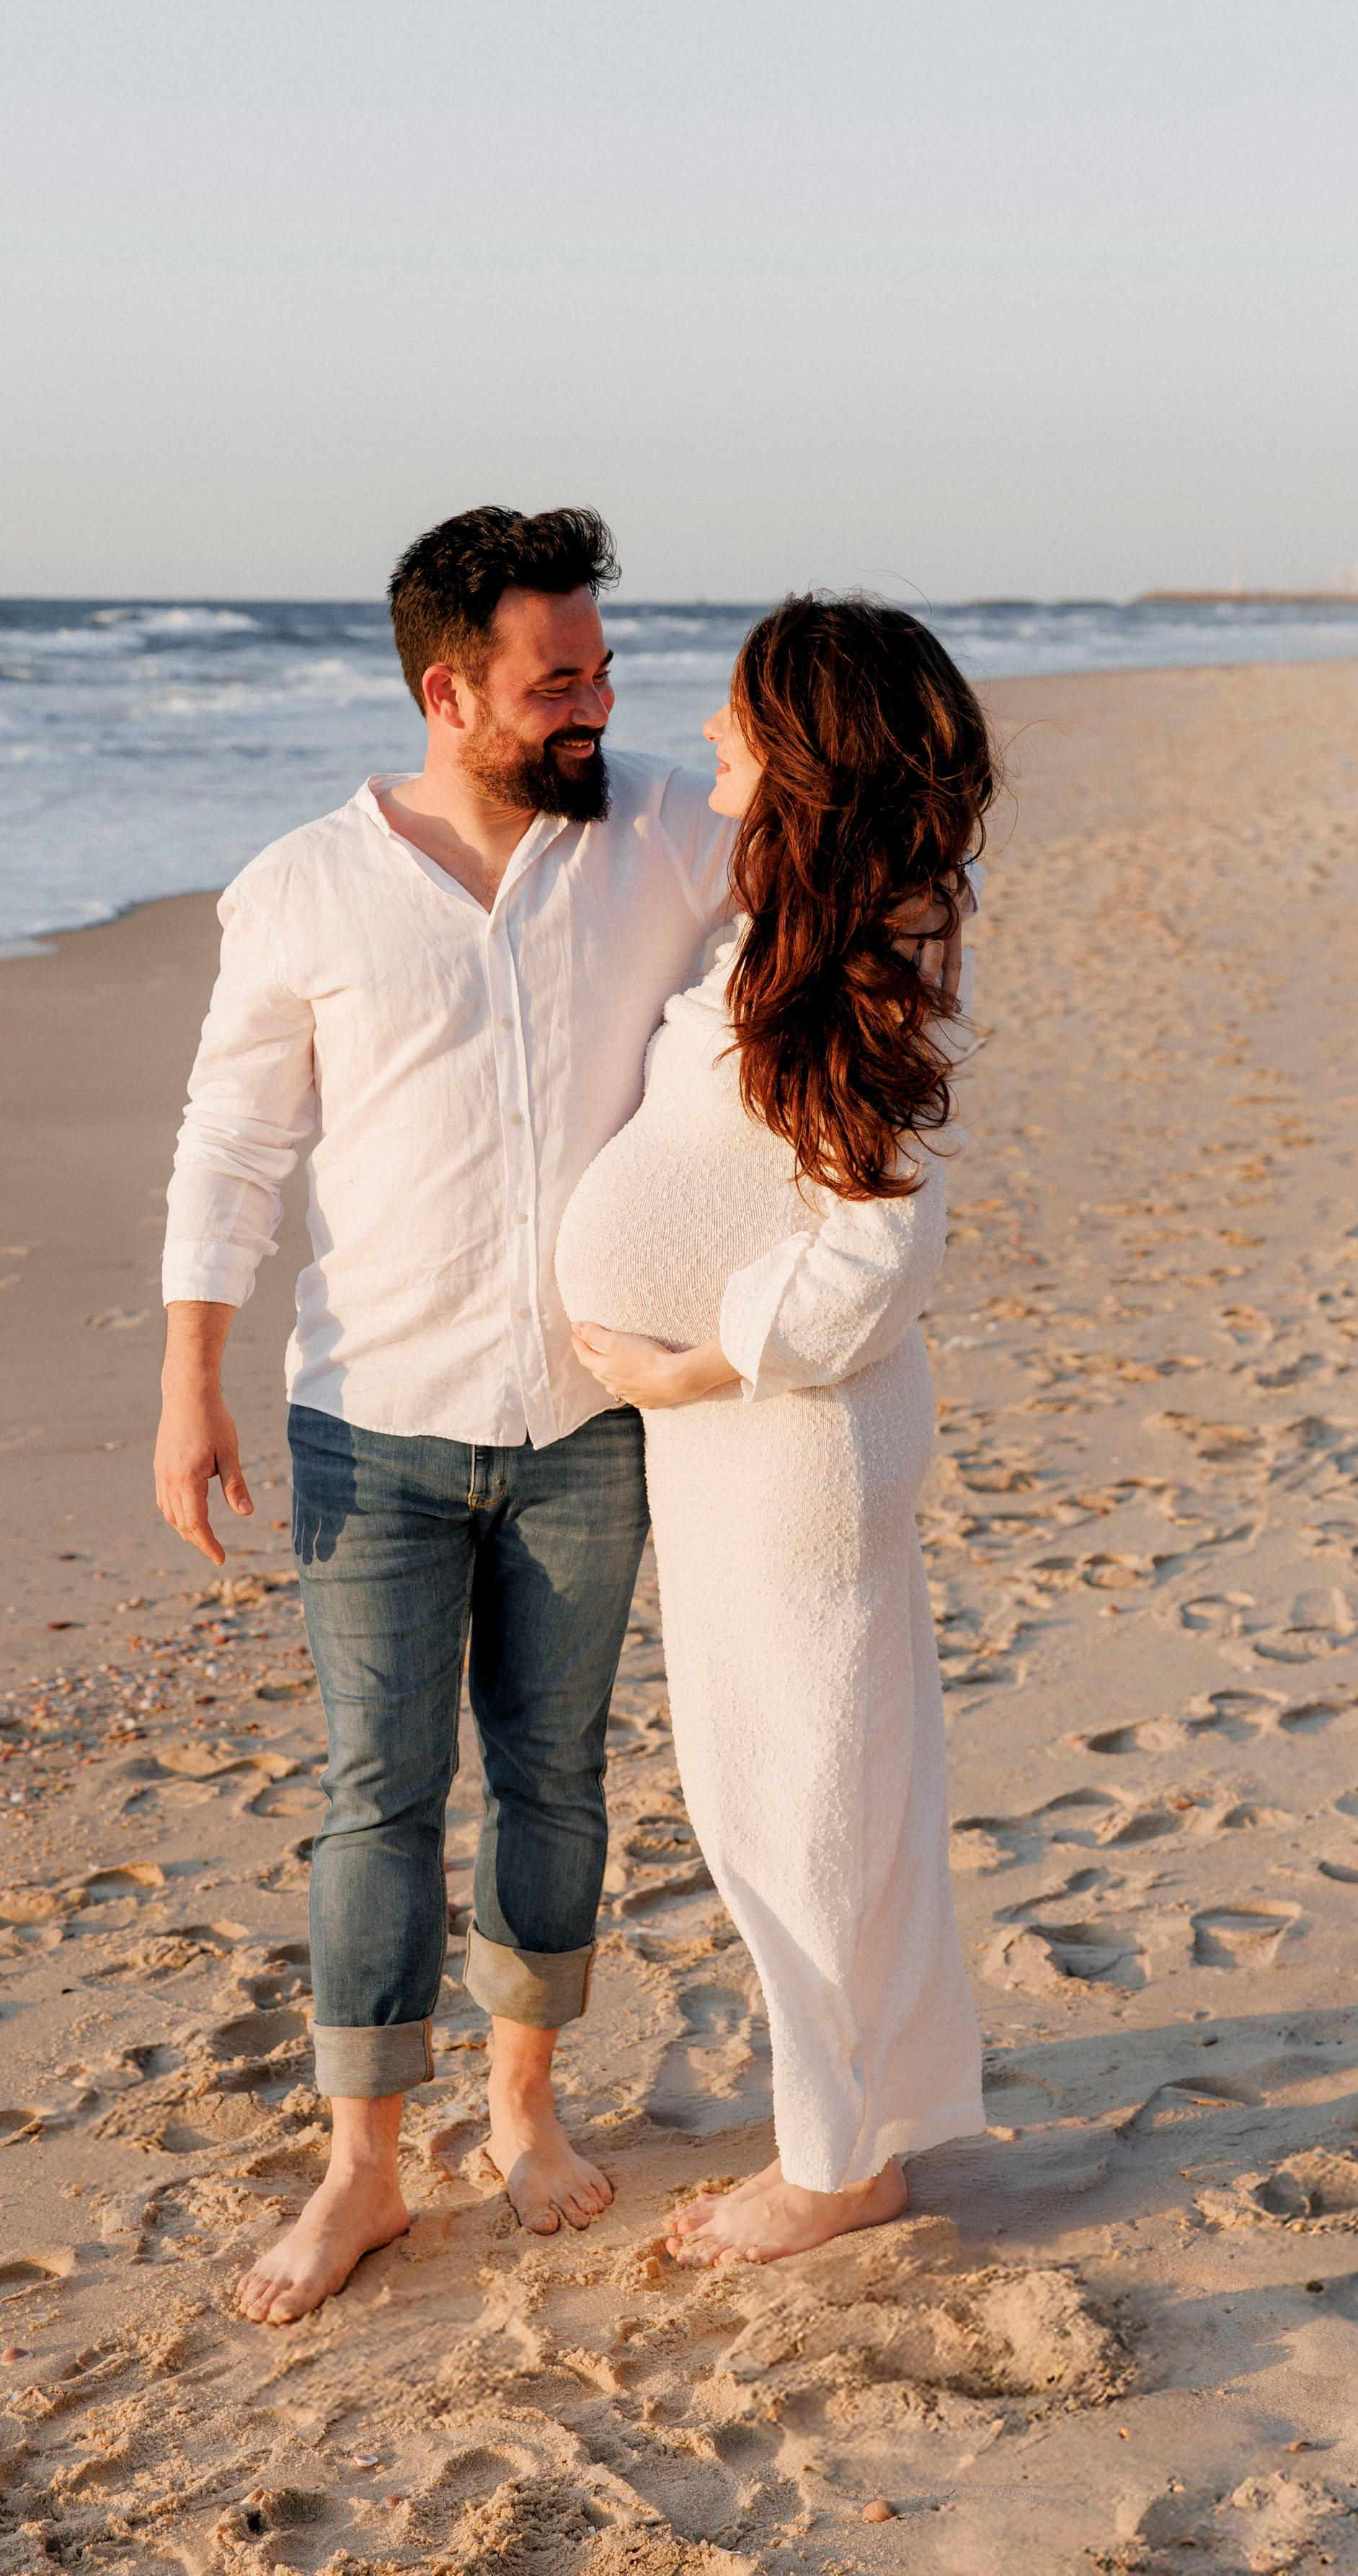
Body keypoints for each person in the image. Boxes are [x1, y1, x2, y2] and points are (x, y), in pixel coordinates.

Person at [154, 505, 732, 2322]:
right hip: (368, 1423)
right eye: (556, 681)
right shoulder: (304, 888)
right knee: (376, 1798)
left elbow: (834, 908)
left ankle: (523, 2116)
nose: (596, 705)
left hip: (592, 1413)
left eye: (601, 672)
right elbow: (234, 1143)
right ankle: (360, 2176)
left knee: (555, 1782)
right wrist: (189, 1381)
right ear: (448, 689)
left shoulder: (663, 830)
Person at [556, 593, 995, 2265]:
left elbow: (877, 1251)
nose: (714, 740)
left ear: (807, 750)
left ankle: (833, 2169)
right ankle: (864, 2121)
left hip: (785, 1430)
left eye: (742, 718)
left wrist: (694, 1364)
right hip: (752, 1434)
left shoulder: (870, 942)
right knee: (816, 1790)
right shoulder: (807, 921)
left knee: (793, 1802)